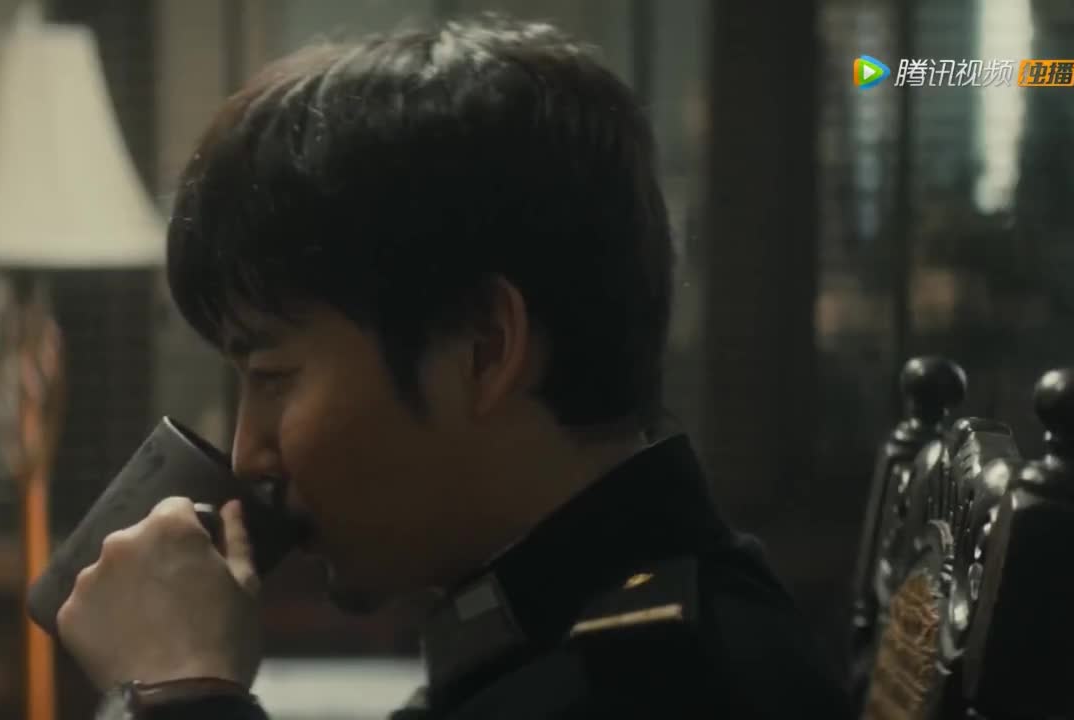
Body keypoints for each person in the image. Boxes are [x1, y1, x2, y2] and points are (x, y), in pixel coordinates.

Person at [55, 16, 851, 719]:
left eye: (272, 377)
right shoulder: (548, 633)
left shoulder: (653, 687)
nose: (249, 456)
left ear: (484, 348)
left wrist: (187, 695)